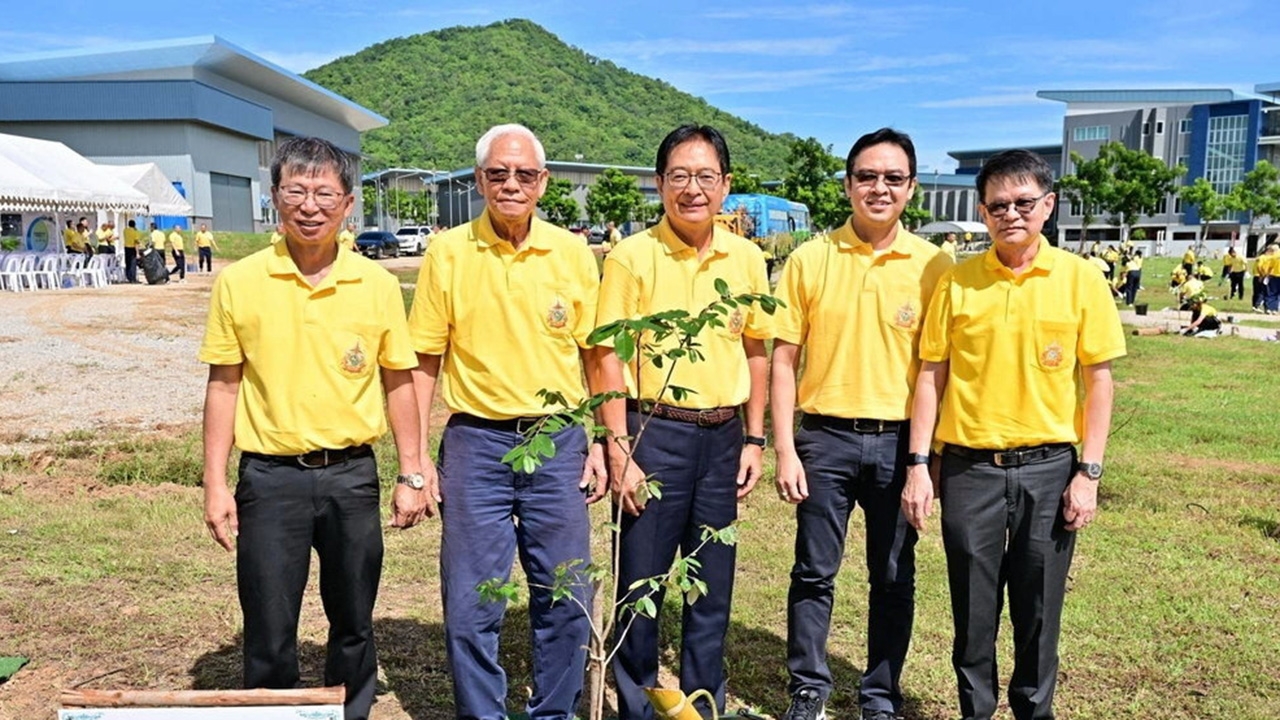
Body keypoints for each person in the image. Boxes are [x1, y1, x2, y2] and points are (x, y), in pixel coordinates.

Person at [199, 136, 426, 720]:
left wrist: (413, 473)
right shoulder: (240, 282)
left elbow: (399, 381)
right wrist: (215, 483)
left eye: (324, 193)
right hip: (270, 481)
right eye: (296, 191)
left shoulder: (375, 284)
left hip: (351, 477)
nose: (310, 205)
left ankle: (350, 711)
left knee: (353, 620)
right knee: (270, 626)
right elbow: (224, 385)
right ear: (275, 196)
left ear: (348, 203)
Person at [902, 149, 1125, 720]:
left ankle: (1033, 711)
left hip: (1050, 469)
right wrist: (919, 463)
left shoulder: (1080, 279)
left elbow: (1098, 382)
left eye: (1024, 203)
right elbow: (931, 375)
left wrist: (1089, 474)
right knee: (973, 614)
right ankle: (975, 711)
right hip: (969, 469)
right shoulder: (958, 282)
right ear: (983, 211)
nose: (1011, 215)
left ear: (1047, 206)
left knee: (1039, 610)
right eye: (997, 205)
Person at [407, 123, 606, 720]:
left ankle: (554, 712)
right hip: (476, 443)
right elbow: (424, 360)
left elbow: (599, 355)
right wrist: (415, 460)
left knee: (567, 595)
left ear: (543, 183)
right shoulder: (448, 253)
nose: (511, 184)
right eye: (498, 174)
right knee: (470, 604)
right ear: (479, 181)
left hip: (558, 439)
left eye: (524, 174)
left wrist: (602, 441)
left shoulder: (573, 254)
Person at [771, 128, 952, 720]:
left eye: (893, 178)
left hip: (902, 443)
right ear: (848, 185)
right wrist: (785, 449)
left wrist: (928, 461)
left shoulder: (935, 267)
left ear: (912, 188)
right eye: (867, 177)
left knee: (894, 576)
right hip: (823, 438)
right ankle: (809, 688)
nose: (879, 188)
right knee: (814, 571)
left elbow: (939, 367)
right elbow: (783, 360)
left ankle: (879, 696)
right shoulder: (810, 259)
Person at [596, 124, 772, 720]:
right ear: (659, 183)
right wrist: (620, 449)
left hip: (724, 439)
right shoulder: (631, 256)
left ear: (725, 186)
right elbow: (609, 357)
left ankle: (703, 706)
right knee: (641, 585)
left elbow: (755, 349)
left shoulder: (747, 259)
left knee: (711, 588)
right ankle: (638, 708)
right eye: (679, 176)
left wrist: (754, 437)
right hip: (655, 433)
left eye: (705, 176)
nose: (692, 189)